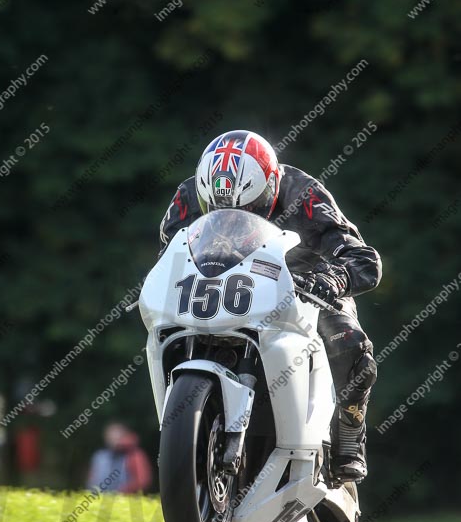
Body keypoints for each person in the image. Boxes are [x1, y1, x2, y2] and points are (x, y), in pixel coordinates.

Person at [158, 130, 382, 483]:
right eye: (218, 210)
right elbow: (169, 252)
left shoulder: (305, 194)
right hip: (222, 284)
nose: (232, 217)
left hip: (304, 283)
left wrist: (334, 278)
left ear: (271, 184)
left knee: (349, 341)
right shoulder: (189, 194)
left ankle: (349, 434)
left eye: (247, 207)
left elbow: (362, 258)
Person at [87, 423, 153, 493]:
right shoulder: (100, 456)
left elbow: (143, 481)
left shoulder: (134, 455)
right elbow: (91, 479)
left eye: (117, 437)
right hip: (100, 498)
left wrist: (123, 491)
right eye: (111, 436)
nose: (114, 440)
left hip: (125, 499)